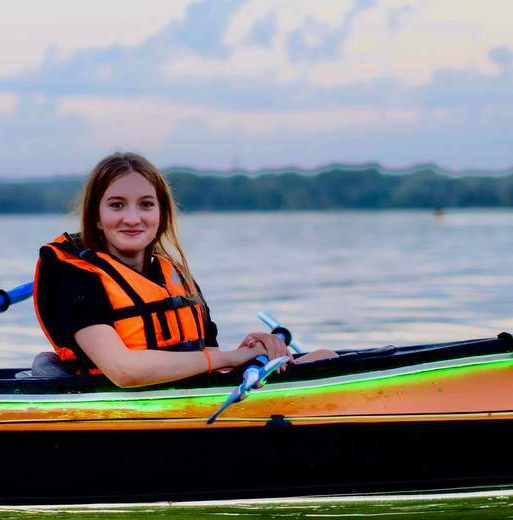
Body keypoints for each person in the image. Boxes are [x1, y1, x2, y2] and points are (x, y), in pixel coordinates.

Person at [33, 152, 336, 388]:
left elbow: (206, 355)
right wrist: (230, 357)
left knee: (327, 359)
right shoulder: (75, 277)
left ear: (161, 215)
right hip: (119, 405)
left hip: (188, 391)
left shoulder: (172, 272)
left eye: (146, 205)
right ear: (96, 217)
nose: (132, 218)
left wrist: (254, 350)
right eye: (116, 205)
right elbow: (123, 370)